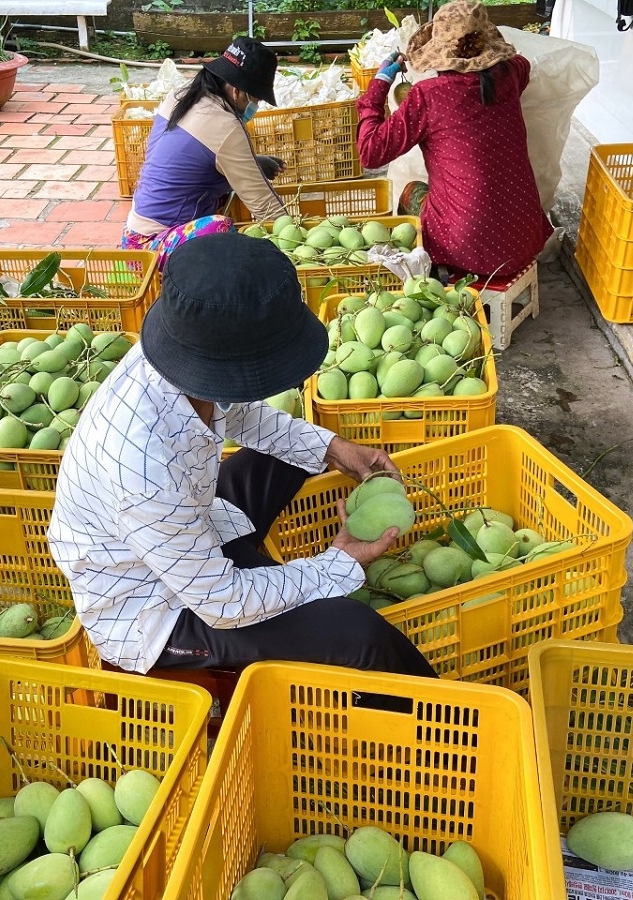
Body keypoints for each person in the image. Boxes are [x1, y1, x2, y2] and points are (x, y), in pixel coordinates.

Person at [47, 232, 438, 679]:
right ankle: (452, 737)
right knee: (359, 635)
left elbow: (236, 413)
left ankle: (284, 573)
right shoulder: (144, 468)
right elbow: (224, 601)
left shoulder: (178, 350)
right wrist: (339, 563)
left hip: (190, 529)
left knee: (291, 454)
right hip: (158, 610)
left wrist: (333, 449)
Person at [355, 0, 553, 283]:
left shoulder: (428, 96)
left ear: (439, 50)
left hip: (466, 248)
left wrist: (379, 84)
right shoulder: (510, 75)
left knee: (412, 190)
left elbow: (370, 152)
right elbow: (520, 62)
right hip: (525, 237)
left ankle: (432, 274)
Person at [121, 37, 290, 269]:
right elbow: (263, 205)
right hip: (152, 248)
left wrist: (253, 162)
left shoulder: (182, 96)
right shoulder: (226, 126)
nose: (254, 107)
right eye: (255, 99)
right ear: (236, 91)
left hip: (132, 235)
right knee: (221, 227)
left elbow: (190, 158)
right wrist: (295, 240)